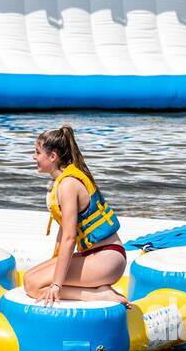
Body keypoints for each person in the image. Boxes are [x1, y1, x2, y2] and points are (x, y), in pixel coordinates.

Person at [22, 125, 131, 306]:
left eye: (37, 152)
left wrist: (56, 284)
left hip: (107, 259)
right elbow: (64, 229)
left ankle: (99, 296)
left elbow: (70, 238)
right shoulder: (64, 180)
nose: (34, 157)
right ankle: (99, 289)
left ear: (53, 156)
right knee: (29, 278)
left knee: (34, 286)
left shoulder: (68, 184)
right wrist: (54, 263)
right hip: (95, 256)